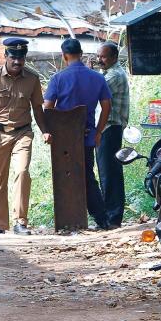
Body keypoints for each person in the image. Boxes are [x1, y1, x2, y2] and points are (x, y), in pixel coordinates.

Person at [0, 38, 51, 236]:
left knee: (22, 172)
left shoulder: (32, 79)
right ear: (6, 57)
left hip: (22, 133)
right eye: (14, 58)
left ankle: (20, 222)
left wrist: (44, 130)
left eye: (21, 58)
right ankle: (0, 223)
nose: (17, 62)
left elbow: (37, 108)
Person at [43, 39, 112, 230]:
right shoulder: (98, 78)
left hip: (63, 140)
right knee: (87, 176)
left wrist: (49, 131)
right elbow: (107, 106)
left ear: (64, 56)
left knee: (64, 176)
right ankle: (101, 219)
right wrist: (98, 131)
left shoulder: (58, 79)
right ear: (81, 54)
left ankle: (69, 219)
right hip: (87, 135)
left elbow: (48, 109)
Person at [96, 42, 129, 229]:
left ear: (114, 58)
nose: (99, 60)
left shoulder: (114, 75)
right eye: (99, 56)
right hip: (108, 127)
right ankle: (111, 216)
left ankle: (113, 217)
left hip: (110, 127)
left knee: (110, 174)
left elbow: (95, 90)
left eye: (103, 57)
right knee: (107, 172)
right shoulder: (108, 73)